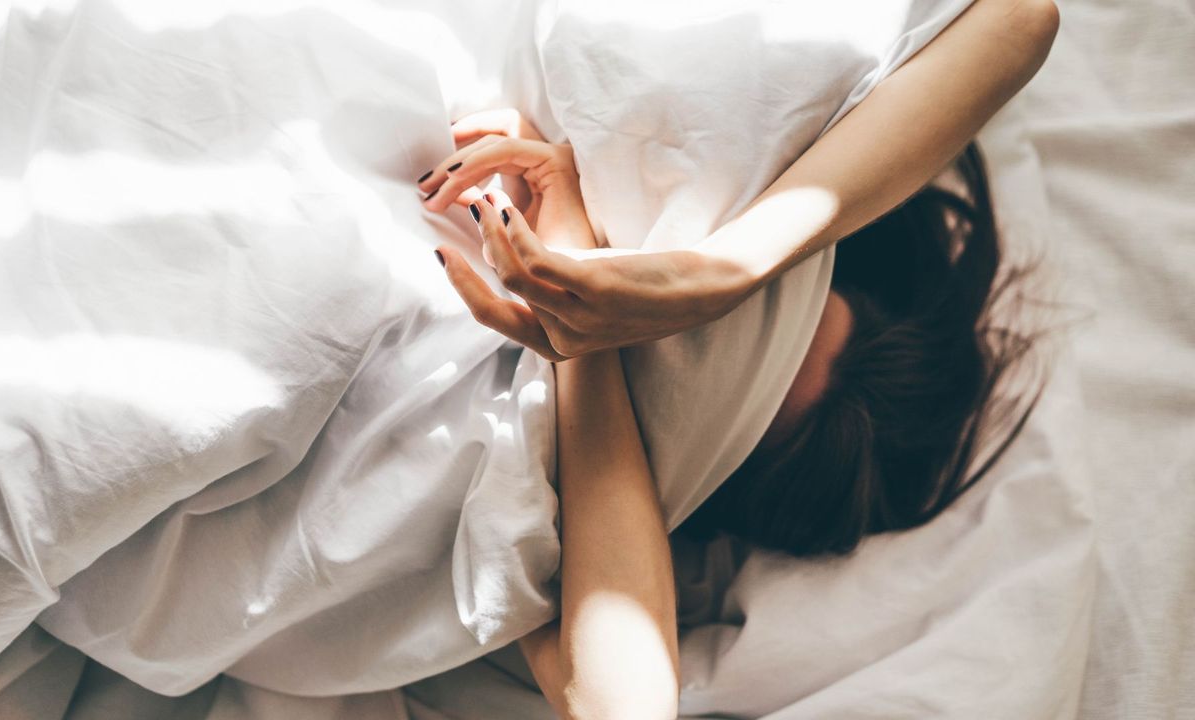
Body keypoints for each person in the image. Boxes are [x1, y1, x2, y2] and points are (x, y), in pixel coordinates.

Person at [424, 0, 1060, 714]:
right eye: (766, 317)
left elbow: (623, 707)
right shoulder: (751, 233)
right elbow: (1022, 18)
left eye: (708, 373)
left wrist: (585, 339)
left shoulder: (573, 507)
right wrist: (723, 273)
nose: (666, 327)